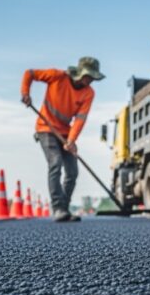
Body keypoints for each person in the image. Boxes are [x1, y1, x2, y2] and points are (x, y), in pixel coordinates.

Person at [21, 57, 105, 222]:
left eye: (93, 77)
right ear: (80, 73)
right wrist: (25, 93)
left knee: (73, 172)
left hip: (66, 132)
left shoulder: (89, 93)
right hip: (46, 128)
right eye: (88, 76)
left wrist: (71, 140)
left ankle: (64, 209)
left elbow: (80, 119)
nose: (90, 80)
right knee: (55, 163)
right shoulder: (57, 76)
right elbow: (29, 73)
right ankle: (58, 208)